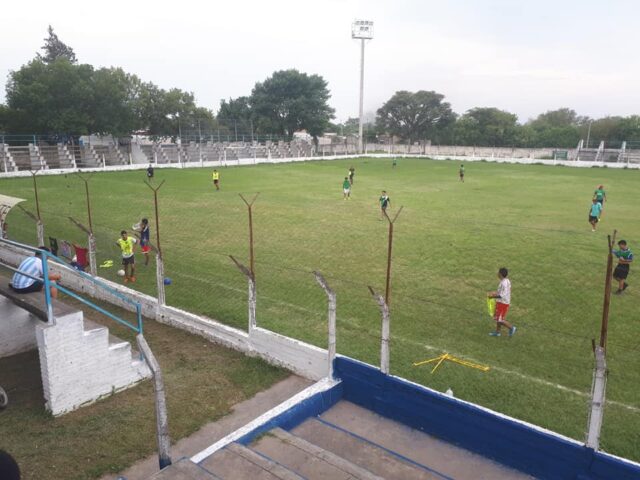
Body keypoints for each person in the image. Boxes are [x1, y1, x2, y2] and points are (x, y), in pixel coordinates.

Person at [487, 267, 516, 337]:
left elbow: (502, 295)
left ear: (500, 274)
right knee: (498, 317)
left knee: (500, 319)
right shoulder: (506, 281)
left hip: (503, 303)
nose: (497, 274)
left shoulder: (504, 284)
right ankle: (497, 332)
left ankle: (511, 328)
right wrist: (495, 293)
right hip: (501, 302)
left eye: (498, 272)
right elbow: (502, 292)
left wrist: (492, 297)